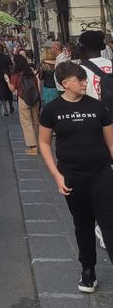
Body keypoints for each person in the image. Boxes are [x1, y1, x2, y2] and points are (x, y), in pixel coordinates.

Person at [39, 61, 113, 293]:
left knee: (110, 223)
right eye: (79, 80)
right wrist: (57, 176)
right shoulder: (52, 110)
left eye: (84, 79)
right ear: (64, 84)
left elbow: (111, 141)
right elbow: (43, 142)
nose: (84, 82)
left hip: (101, 173)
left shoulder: (98, 107)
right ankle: (88, 272)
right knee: (82, 224)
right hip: (72, 176)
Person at [10, 55, 41, 156]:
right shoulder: (30, 72)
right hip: (35, 98)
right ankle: (39, 144)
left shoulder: (15, 75)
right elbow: (37, 85)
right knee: (36, 121)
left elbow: (12, 88)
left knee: (26, 122)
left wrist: (6, 80)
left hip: (23, 99)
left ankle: (33, 147)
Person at [0, 43, 14, 116]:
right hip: (7, 76)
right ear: (3, 50)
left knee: (2, 95)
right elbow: (11, 66)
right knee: (9, 92)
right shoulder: (6, 57)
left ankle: (6, 110)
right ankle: (11, 107)